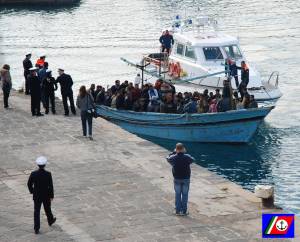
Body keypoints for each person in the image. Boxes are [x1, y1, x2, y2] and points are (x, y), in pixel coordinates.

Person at [27, 156, 56, 234]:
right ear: (45, 165)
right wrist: (51, 196)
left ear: (37, 165)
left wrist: (32, 191)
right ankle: (50, 220)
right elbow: (51, 186)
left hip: (37, 195)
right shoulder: (48, 174)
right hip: (46, 195)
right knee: (47, 209)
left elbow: (29, 184)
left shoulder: (33, 174)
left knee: (36, 211)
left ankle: (36, 228)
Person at [166, 143, 195, 216]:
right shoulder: (187, 157)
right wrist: (184, 152)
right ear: (183, 149)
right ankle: (184, 211)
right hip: (186, 179)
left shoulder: (173, 157)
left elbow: (167, 158)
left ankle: (178, 211)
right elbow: (193, 160)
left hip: (177, 178)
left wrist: (173, 152)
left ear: (176, 149)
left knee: (177, 194)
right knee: (185, 195)